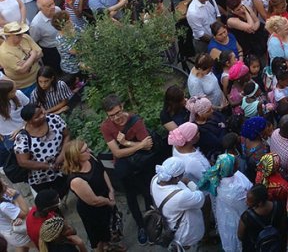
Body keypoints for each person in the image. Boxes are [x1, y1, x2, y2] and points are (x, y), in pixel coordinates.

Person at [99, 95, 155, 245]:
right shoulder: (106, 126)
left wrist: (125, 143)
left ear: (122, 107)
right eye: (111, 115)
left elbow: (148, 146)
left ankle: (151, 221)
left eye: (118, 113)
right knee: (131, 195)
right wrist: (138, 145)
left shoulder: (135, 121)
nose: (116, 118)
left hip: (142, 162)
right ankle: (141, 226)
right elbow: (117, 153)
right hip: (125, 166)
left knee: (147, 192)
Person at [61, 139, 117, 252]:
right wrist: (109, 202)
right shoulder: (76, 180)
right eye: (85, 150)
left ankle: (109, 246)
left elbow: (102, 171)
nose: (89, 151)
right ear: (76, 156)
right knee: (98, 238)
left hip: (105, 198)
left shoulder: (91, 158)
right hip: (93, 211)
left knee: (108, 229)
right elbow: (94, 201)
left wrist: (111, 190)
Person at [198, 153, 252, 252]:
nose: (238, 164)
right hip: (235, 220)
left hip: (224, 216)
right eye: (236, 163)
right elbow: (246, 206)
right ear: (232, 168)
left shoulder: (218, 179)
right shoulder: (234, 191)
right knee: (236, 242)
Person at [149, 157, 206, 249]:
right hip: (184, 233)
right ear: (176, 178)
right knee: (186, 247)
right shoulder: (180, 196)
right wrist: (189, 182)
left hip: (168, 223)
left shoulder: (155, 179)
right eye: (182, 174)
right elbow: (200, 198)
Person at [14, 105, 68, 197]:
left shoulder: (53, 119)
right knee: (50, 199)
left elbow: (67, 135)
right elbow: (23, 162)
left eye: (42, 112)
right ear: (29, 121)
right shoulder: (22, 137)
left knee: (64, 191)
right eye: (37, 116)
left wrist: (62, 156)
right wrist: (49, 166)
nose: (42, 116)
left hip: (62, 167)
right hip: (41, 178)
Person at [238, 184, 288, 252]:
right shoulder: (279, 206)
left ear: (260, 203)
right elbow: (284, 227)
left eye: (249, 201)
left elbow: (240, 236)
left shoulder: (247, 216)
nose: (246, 202)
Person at [0, 22, 42, 96]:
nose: (22, 35)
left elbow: (41, 53)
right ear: (8, 36)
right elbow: (22, 70)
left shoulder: (25, 37)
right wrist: (33, 55)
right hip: (25, 86)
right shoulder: (4, 52)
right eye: (18, 35)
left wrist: (26, 63)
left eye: (21, 33)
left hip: (39, 75)